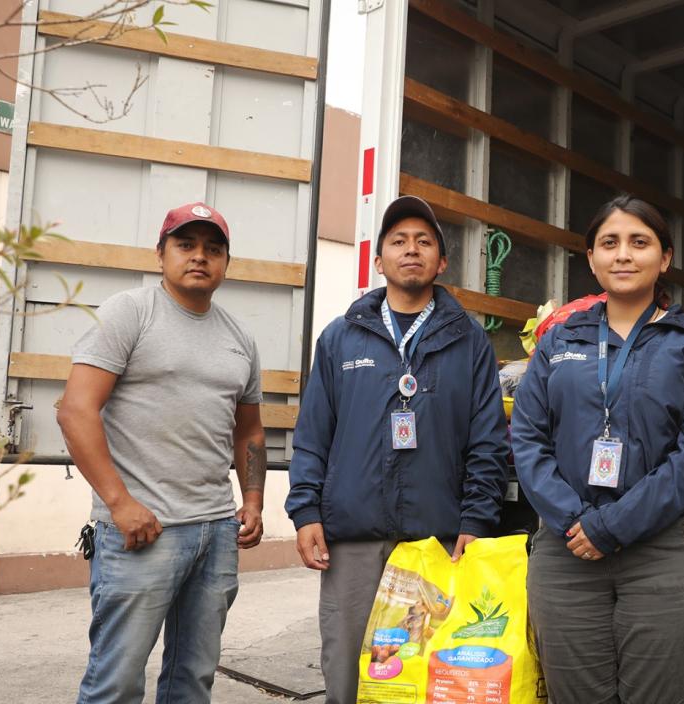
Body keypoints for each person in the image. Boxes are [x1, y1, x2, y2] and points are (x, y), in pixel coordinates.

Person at [285, 195, 509, 704]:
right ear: (379, 259)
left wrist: (475, 523)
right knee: (345, 672)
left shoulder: (469, 340)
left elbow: (487, 441)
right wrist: (304, 511)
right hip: (353, 538)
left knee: (426, 679)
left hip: (435, 542)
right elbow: (314, 432)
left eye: (424, 241)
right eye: (399, 241)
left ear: (441, 261)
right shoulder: (341, 338)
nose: (412, 250)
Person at [511, 194, 684, 703]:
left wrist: (610, 526)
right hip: (568, 549)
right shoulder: (556, 342)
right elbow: (527, 439)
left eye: (639, 242)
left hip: (667, 548)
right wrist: (574, 520)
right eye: (609, 243)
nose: (623, 255)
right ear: (591, 258)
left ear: (665, 258)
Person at [58, 201, 267, 703]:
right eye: (186, 245)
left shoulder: (239, 336)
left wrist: (254, 498)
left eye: (213, 249)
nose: (200, 257)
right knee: (116, 681)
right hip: (141, 531)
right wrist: (119, 503)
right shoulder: (130, 312)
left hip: (216, 531)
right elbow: (75, 411)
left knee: (192, 679)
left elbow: (250, 432)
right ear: (160, 254)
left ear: (225, 263)